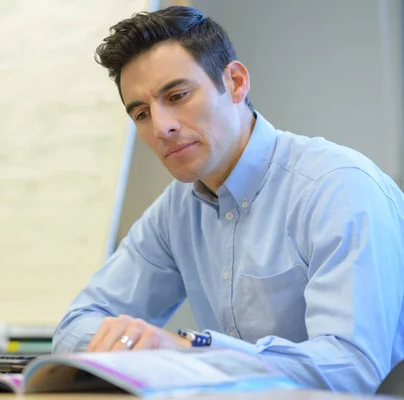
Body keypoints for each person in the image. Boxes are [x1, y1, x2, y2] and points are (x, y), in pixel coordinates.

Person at [51, 5, 404, 394]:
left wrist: (192, 351)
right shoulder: (177, 210)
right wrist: (131, 346)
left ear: (235, 82)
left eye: (178, 95)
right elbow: (75, 328)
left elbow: (350, 369)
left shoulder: (338, 188)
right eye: (141, 114)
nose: (161, 126)